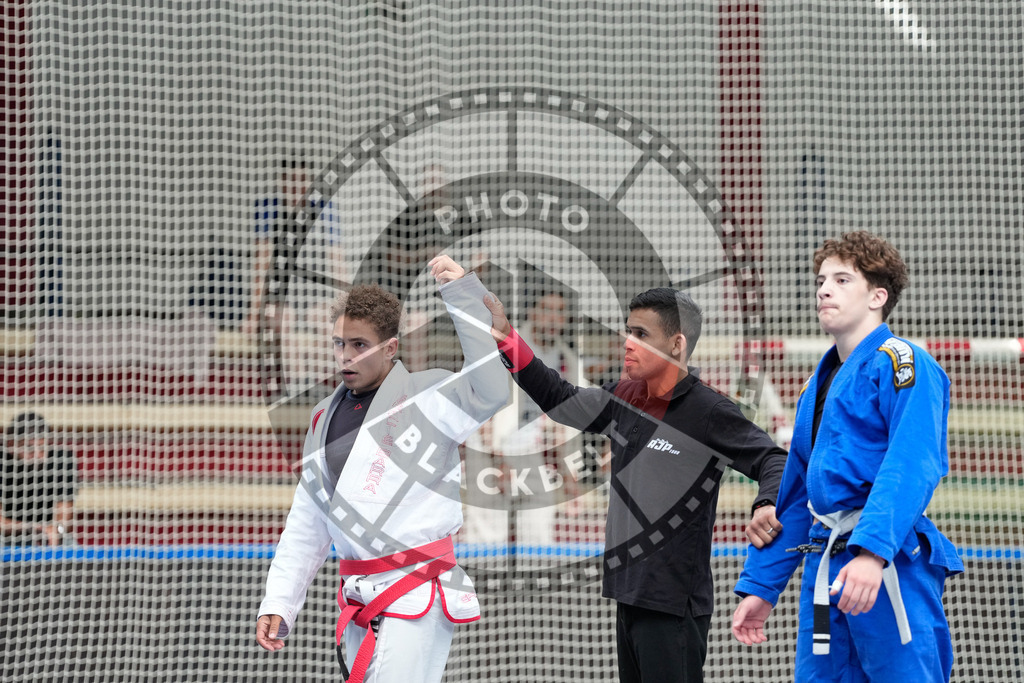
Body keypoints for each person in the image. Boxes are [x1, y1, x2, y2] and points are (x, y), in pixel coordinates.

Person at [475, 268, 788, 683]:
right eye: (628, 331)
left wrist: (766, 502)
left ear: (677, 345)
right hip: (629, 594)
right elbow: (560, 398)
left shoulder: (710, 412)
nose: (628, 342)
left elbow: (774, 460)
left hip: (674, 605)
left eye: (642, 334)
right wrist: (507, 338)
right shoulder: (626, 396)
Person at [255, 255, 509, 683]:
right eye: (339, 343)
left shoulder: (427, 397)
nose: (346, 356)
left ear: (391, 347)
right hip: (358, 596)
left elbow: (490, 391)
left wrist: (462, 297)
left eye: (360, 345)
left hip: (416, 590)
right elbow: (309, 518)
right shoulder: (322, 416)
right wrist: (279, 601)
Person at [731, 231, 963, 682]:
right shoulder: (813, 387)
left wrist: (873, 553)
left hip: (888, 560)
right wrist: (762, 585)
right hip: (826, 561)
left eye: (841, 279)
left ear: (878, 295)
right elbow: (798, 494)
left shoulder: (903, 363)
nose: (823, 289)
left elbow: (911, 464)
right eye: (820, 280)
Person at [1, 411, 76, 547]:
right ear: (12, 444)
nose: (37, 455)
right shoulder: (3, 462)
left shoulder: (61, 461)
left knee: (69, 544)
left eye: (42, 448)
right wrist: (32, 528)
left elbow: (64, 516)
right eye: (29, 447)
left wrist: (57, 530)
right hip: (9, 537)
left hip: (48, 536)